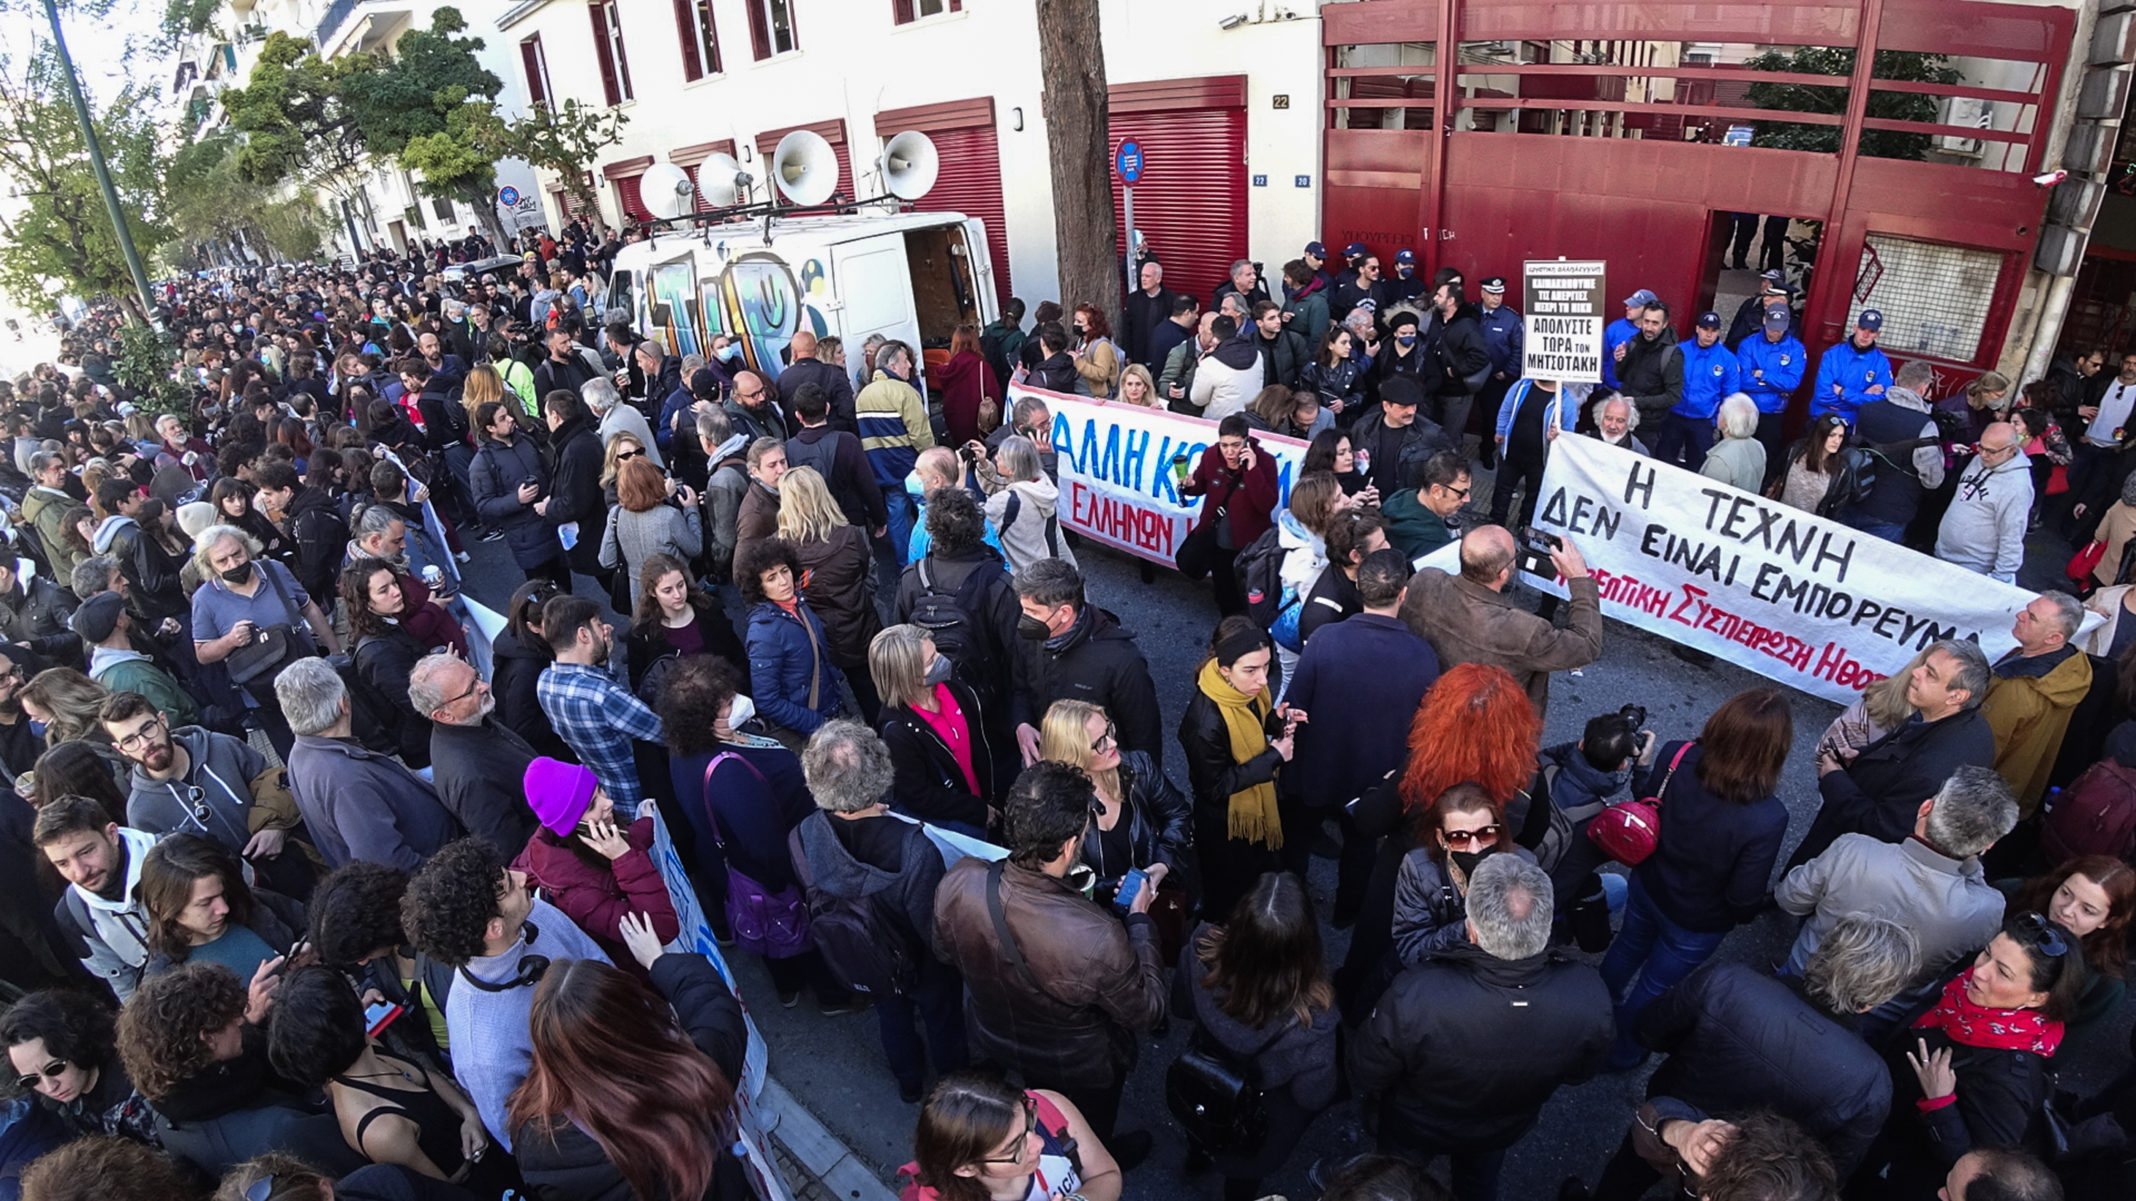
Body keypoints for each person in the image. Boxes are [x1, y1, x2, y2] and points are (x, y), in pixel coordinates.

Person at [1588, 915, 1918, 1197]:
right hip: (1752, 1180)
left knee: (1628, 1173)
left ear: (1820, 954)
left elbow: (1648, 1029)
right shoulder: (1871, 1082)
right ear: (1874, 1001)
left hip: (1671, 1117)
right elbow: (1831, 1169)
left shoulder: (1729, 982)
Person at [932, 760, 1165, 1158]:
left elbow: (943, 951)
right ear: (1071, 845)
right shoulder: (1099, 937)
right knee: (1089, 1128)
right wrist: (1141, 921)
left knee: (1038, 1103)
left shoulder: (960, 880)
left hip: (1001, 1037)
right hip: (1080, 1064)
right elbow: (1149, 1012)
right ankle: (1097, 1159)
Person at [1349, 856, 1611, 1201]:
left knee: (1395, 1182)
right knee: (1478, 1184)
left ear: (1471, 929)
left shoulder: (1417, 993)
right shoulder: (1589, 996)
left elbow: (1368, 1069)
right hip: (1501, 1127)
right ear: (1545, 926)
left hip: (1415, 1124)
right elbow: (1579, 1072)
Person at [1599, 689, 1793, 1070]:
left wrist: (1645, 767)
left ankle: (1593, 1013)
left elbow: (1647, 803)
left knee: (1626, 947)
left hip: (1648, 884)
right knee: (1654, 986)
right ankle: (1622, 1053)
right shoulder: (1768, 816)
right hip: (1695, 921)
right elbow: (1742, 898)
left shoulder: (1676, 754)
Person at [655, 654, 852, 1012]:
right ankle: (831, 996)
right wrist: (794, 880)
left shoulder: (683, 747)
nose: (739, 703)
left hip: (728, 865)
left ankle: (787, 987)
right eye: (728, 702)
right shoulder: (730, 774)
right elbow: (766, 845)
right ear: (705, 718)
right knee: (794, 924)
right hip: (772, 868)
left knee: (764, 924)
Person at [508, 923, 749, 1201]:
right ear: (632, 1019)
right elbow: (714, 1009)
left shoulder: (534, 1138)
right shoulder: (687, 1077)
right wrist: (657, 961)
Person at [399, 836, 611, 1150]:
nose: (523, 877)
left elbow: (599, 964)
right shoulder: (481, 1050)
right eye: (508, 886)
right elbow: (522, 1140)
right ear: (493, 929)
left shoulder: (534, 911)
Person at [1854, 913, 2085, 1199]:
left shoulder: (2007, 1082)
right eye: (1986, 953)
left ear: (2037, 998)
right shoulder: (1969, 992)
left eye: (2003, 972)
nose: (1980, 971)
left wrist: (1940, 1105)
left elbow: (1983, 1171)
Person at [795, 721, 968, 1102]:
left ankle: (909, 1082)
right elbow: (933, 931)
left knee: (890, 1012)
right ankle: (955, 1089)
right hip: (921, 964)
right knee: (943, 1022)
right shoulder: (914, 850)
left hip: (864, 955)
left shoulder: (807, 831)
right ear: (879, 776)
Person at [1776, 766, 2015, 1030]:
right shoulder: (1988, 909)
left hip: (1805, 973)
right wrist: (1973, 865)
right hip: (1879, 1015)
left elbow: (1789, 899)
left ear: (1926, 807)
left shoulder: (1854, 850)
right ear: (1988, 845)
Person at [115, 960, 364, 1180]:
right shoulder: (280, 1133)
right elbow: (362, 1166)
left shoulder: (168, 1114)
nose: (241, 1020)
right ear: (208, 1039)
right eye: (231, 1017)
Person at [1174, 872, 1339, 1201]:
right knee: (1243, 1176)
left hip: (1203, 1082)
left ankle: (1196, 1158)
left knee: (1202, 1124)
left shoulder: (1199, 949)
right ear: (1306, 944)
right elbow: (1312, 1096)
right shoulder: (1314, 1020)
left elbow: (1179, 1006)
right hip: (1258, 1122)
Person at [263, 966, 496, 1187]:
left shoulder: (363, 1045)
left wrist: (468, 1113)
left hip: (482, 1146)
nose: (358, 994)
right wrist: (469, 1162)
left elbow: (423, 1077)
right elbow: (442, 1191)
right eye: (350, 994)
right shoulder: (380, 1129)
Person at [1793, 638, 1998, 868]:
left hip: (1844, 864)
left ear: (1956, 696)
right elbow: (1897, 750)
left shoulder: (1932, 770)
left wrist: (1833, 776)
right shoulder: (1955, 720)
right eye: (1924, 665)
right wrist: (1860, 756)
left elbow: (1880, 828)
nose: (1916, 672)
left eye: (1930, 674)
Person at [275, 659, 461, 871]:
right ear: (344, 704)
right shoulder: (345, 780)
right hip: (442, 879)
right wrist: (453, 878)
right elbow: (387, 862)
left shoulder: (300, 753)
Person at [1399, 526, 1601, 716]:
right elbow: (1586, 645)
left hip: (1422, 705)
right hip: (1486, 728)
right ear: (1503, 575)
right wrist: (1579, 578)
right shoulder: (1522, 630)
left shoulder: (1424, 580)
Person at [1179, 617, 1300, 917]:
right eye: (1251, 670)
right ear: (1224, 669)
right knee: (1228, 897)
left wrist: (1276, 720)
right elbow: (1215, 788)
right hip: (1225, 826)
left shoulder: (1245, 692)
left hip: (1249, 809)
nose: (1262, 680)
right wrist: (1274, 756)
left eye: (1266, 666)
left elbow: (1254, 727)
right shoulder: (1203, 723)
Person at [513, 757, 680, 972]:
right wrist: (624, 858)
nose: (607, 803)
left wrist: (646, 824)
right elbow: (663, 929)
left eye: (599, 789)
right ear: (574, 827)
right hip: (637, 973)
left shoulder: (590, 837)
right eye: (592, 805)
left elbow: (626, 838)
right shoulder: (578, 896)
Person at [189, 525, 342, 759]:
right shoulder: (204, 599)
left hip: (310, 677)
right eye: (222, 561)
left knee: (339, 740)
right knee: (300, 758)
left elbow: (308, 608)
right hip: (266, 697)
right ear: (210, 566)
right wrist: (230, 641)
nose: (233, 564)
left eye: (237, 554)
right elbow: (202, 652)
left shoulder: (275, 570)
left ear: (247, 548)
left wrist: (335, 651)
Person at [1010, 559, 1164, 769]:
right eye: (1024, 609)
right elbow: (1020, 687)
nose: (1024, 619)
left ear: (1064, 613)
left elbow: (1144, 738)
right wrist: (1023, 723)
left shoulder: (1122, 660)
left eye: (1033, 612)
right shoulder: (1029, 636)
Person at [1042, 697, 1192, 907]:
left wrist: (1163, 863)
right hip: (1097, 918)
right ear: (1073, 754)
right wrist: (1116, 888)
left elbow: (1178, 813)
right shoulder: (1050, 805)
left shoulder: (1138, 767)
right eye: (1099, 743)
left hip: (1161, 898)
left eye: (1108, 730)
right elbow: (1058, 877)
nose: (1113, 743)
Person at [900, 1072, 1125, 1201]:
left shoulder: (1049, 1107)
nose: (1039, 1143)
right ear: (966, 1168)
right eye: (1014, 1148)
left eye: (1030, 1123)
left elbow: (1108, 1175)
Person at [896, 485, 1021, 716]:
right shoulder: (999, 583)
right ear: (978, 527)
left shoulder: (912, 577)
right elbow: (1016, 654)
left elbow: (901, 636)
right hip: (989, 696)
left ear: (931, 529)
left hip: (932, 696)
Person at [535, 594, 665, 813]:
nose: (607, 628)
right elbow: (662, 731)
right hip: (639, 793)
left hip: (605, 789)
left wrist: (603, 662)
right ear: (583, 634)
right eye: (597, 625)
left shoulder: (544, 683)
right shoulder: (603, 695)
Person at [1388, 781, 1537, 968]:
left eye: (1486, 834)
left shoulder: (1525, 866)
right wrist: (1466, 929)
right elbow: (1412, 949)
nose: (1474, 849)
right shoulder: (1419, 869)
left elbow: (1534, 941)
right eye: (1459, 837)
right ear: (1441, 838)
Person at [407, 652, 540, 855]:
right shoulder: (471, 777)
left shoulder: (471, 720)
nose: (484, 686)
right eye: (471, 689)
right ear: (443, 714)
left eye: (476, 676)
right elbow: (509, 849)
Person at [872, 625, 998, 839]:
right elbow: (920, 797)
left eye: (936, 651)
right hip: (965, 817)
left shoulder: (953, 685)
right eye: (931, 661)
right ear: (907, 676)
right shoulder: (897, 733)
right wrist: (977, 811)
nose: (943, 660)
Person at [778, 466, 883, 721]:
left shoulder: (780, 548)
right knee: (873, 697)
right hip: (858, 627)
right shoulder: (851, 534)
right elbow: (869, 577)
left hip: (813, 637)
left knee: (825, 705)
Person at [32, 796, 156, 999]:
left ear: (112, 834)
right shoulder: (72, 914)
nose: (80, 872)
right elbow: (122, 986)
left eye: (86, 852)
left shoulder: (176, 857)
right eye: (63, 864)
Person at [1981, 592, 2093, 814]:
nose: (2020, 615)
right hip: (2015, 794)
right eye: (2027, 609)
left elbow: (1983, 745)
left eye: (2032, 617)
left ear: (2054, 639)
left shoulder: (2016, 688)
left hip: (1982, 800)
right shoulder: (2073, 665)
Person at [137, 833, 302, 980]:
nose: (224, 908)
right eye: (205, 903)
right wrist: (250, 1014)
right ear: (162, 908)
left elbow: (310, 922)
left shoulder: (252, 903)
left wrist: (312, 946)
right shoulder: (162, 981)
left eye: (221, 893)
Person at [738, 537, 847, 744]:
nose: (783, 581)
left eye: (784, 571)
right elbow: (766, 700)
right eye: (771, 578)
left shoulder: (796, 603)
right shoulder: (764, 633)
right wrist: (815, 722)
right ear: (760, 588)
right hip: (811, 727)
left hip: (827, 708)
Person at [2009, 855, 2133, 1030]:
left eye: (2087, 910)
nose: (2067, 910)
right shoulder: (2011, 895)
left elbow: (2059, 1047)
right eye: (2065, 893)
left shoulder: (2103, 985)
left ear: (2107, 921)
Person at [2, 990, 142, 1140]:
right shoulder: (57, 1109)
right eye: (31, 1080)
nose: (50, 1087)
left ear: (77, 1046)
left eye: (55, 1068)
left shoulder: (140, 1079)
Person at [339, 560, 439, 769]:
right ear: (366, 603)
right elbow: (415, 703)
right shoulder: (379, 653)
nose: (396, 592)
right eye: (384, 590)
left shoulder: (384, 625)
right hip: (427, 747)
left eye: (394, 583)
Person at [1178, 415, 1278, 616]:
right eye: (1224, 445)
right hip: (1216, 535)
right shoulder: (1210, 455)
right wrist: (1189, 486)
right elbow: (1200, 485)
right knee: (1223, 584)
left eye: (1235, 445)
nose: (1230, 452)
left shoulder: (1265, 462)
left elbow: (1266, 504)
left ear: (1246, 441)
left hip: (1249, 541)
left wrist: (1252, 470)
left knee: (1249, 586)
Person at [856, 339, 936, 560]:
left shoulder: (863, 396)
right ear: (892, 367)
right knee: (930, 513)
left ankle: (906, 563)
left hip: (883, 470)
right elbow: (920, 435)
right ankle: (932, 558)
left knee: (896, 517)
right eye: (905, 361)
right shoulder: (904, 391)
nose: (910, 366)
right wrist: (933, 459)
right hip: (911, 467)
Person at [74, 592, 194, 729]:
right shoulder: (135, 677)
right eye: (123, 611)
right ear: (120, 621)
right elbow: (172, 722)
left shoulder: (107, 666)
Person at [785, 383, 888, 534]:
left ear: (798, 415)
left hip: (811, 528)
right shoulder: (847, 442)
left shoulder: (788, 449)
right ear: (827, 408)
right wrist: (879, 519)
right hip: (850, 522)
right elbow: (868, 486)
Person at [1936, 422, 2032, 583]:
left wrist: (1999, 579)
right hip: (1942, 552)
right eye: (1982, 447)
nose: (1983, 454)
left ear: (2011, 450)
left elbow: (2012, 536)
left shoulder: (2017, 487)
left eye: (1991, 451)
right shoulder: (1979, 460)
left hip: (1971, 568)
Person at [597, 455, 700, 602]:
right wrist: (691, 510)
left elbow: (606, 560)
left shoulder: (616, 514)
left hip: (639, 594)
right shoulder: (669, 516)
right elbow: (695, 548)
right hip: (675, 589)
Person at [490, 580, 570, 762]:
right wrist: (565, 712)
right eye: (557, 621)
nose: (568, 625)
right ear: (533, 626)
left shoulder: (530, 642)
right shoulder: (525, 670)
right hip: (553, 754)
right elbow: (523, 727)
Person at [972, 435, 1075, 576]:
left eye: (1000, 457)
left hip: (1019, 575)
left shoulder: (1005, 501)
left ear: (1012, 469)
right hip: (1039, 564)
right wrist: (983, 464)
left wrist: (957, 485)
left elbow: (970, 522)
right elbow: (1002, 486)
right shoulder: (1040, 481)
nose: (995, 458)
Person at [1349, 378, 1454, 508]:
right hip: (1368, 503)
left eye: (1414, 405)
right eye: (1403, 407)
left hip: (1408, 507)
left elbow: (1451, 473)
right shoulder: (1363, 428)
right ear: (1386, 406)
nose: (1411, 411)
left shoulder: (1432, 434)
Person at [1656, 312, 1741, 472]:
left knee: (1697, 468)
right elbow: (1663, 380)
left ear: (1718, 332)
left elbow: (1730, 396)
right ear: (1697, 329)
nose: (1709, 334)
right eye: (1705, 328)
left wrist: (1714, 420)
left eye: (1713, 330)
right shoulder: (1679, 350)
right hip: (1674, 416)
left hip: (1702, 421)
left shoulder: (1727, 359)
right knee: (1663, 463)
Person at [1489, 376, 1571, 528]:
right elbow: (1506, 409)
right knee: (1502, 489)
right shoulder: (1521, 386)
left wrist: (1557, 435)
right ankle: (1496, 522)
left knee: (1534, 495)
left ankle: (1525, 526)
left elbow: (1568, 434)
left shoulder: (1565, 401)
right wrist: (1500, 430)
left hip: (1539, 460)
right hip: (1511, 453)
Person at [1737, 303, 1810, 463]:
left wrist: (1762, 374)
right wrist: (1776, 385)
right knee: (1740, 456)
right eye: (1772, 327)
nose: (1775, 332)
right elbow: (1743, 380)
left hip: (1773, 414)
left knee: (1766, 458)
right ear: (1764, 320)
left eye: (1779, 328)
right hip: (1747, 410)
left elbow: (1792, 382)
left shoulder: (1796, 349)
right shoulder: (1748, 344)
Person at [1812, 309, 1894, 424]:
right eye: (1862, 329)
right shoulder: (1832, 354)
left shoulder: (1881, 363)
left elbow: (1880, 400)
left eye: (1871, 331)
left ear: (1878, 334)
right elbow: (1822, 395)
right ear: (1855, 327)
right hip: (1822, 420)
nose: (1865, 335)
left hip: (1853, 425)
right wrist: (1861, 398)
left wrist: (1843, 392)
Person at [1615, 300, 1685, 435]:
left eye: (1655, 323)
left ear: (1664, 324)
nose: (1649, 327)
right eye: (1646, 321)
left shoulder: (1672, 354)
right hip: (1624, 417)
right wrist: (1619, 361)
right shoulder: (1634, 342)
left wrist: (1637, 402)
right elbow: (1620, 376)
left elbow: (1673, 396)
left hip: (1648, 427)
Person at [1770, 414, 1855, 517]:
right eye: (1832, 435)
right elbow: (1773, 474)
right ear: (1820, 435)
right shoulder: (1795, 450)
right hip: (1779, 516)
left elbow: (1837, 511)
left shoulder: (1842, 470)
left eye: (1840, 436)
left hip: (1811, 528)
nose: (1837, 441)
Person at [778, 328, 858, 434]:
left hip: (800, 442)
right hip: (835, 439)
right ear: (816, 350)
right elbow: (848, 411)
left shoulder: (783, 379)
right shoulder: (834, 373)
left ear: (794, 353)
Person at [937, 324, 1003, 446]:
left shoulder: (947, 370)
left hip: (954, 420)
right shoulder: (981, 367)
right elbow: (995, 395)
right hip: (978, 421)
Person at [1188, 316, 1262, 421]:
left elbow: (1197, 399)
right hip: (1250, 421)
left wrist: (1200, 368)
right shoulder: (1258, 355)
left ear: (1214, 337)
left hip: (1219, 423)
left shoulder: (1209, 364)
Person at [734, 435, 786, 573]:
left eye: (783, 461)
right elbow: (740, 569)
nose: (781, 469)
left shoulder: (783, 489)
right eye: (772, 465)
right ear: (755, 471)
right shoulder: (754, 515)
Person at [1697, 394, 1766, 495]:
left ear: (1725, 422)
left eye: (1720, 412)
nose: (1717, 414)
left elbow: (1707, 497)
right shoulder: (1758, 446)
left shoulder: (1720, 460)